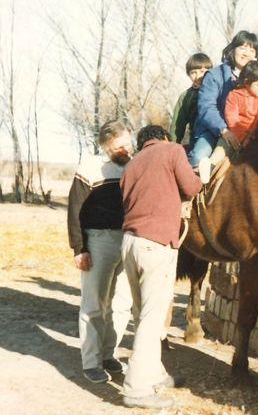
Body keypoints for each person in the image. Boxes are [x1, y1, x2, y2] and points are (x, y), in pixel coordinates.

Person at [120, 125, 202, 409]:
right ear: (163, 138)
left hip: (129, 243)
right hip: (156, 245)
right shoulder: (173, 150)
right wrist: (199, 175)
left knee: (141, 312)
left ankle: (154, 372)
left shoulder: (131, 165)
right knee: (151, 319)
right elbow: (191, 188)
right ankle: (136, 389)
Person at [67, 120, 134, 384]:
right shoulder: (90, 168)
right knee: (94, 304)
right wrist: (79, 248)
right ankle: (91, 362)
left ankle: (109, 355)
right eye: (119, 146)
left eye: (128, 143)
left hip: (128, 240)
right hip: (98, 241)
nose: (126, 149)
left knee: (121, 304)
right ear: (106, 145)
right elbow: (75, 210)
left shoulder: (133, 165)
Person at [188, 30, 258, 168]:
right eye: (242, 48)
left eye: (252, 49)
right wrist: (223, 130)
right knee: (198, 158)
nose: (247, 53)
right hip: (215, 130)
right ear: (233, 50)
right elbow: (206, 107)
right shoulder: (214, 75)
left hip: (249, 131)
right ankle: (197, 188)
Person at [198, 59, 258, 183]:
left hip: (255, 136)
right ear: (247, 82)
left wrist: (251, 137)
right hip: (234, 134)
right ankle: (210, 166)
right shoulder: (234, 95)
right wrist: (240, 136)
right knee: (222, 147)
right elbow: (232, 117)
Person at [169, 52, 213, 147]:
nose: (198, 76)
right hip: (197, 138)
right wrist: (172, 146)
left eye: (202, 71)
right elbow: (177, 125)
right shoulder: (186, 96)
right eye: (193, 73)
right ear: (188, 74)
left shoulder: (217, 90)